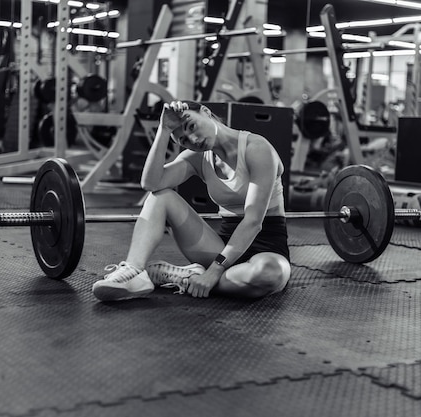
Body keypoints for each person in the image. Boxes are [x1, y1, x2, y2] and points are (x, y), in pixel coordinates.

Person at [91, 100, 292, 301]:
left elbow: (253, 222)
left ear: (205, 111)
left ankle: (187, 278)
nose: (193, 140)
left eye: (192, 126)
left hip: (266, 249)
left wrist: (213, 272)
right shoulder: (198, 158)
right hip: (219, 247)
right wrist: (163, 130)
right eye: (183, 140)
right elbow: (152, 183)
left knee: (269, 274)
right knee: (161, 197)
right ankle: (134, 272)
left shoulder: (256, 148)